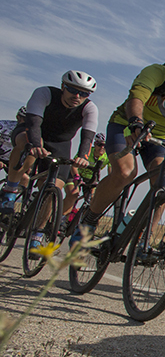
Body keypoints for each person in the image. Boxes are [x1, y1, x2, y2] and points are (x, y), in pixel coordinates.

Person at [70, 43, 165, 244]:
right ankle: (88, 222)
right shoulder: (157, 73)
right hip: (125, 125)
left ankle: (144, 241)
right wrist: (135, 123)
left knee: (162, 181)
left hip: (157, 138)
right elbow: (137, 97)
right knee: (125, 173)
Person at [1, 71, 99, 252]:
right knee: (26, 146)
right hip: (32, 132)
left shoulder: (89, 108)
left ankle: (37, 233)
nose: (77, 97)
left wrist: (82, 157)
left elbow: (87, 137)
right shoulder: (44, 93)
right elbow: (33, 123)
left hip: (60, 143)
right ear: (63, 87)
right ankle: (10, 190)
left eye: (84, 93)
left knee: (55, 188)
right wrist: (35, 144)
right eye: (72, 90)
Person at [63, 132, 109, 222]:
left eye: (105, 145)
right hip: (75, 174)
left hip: (91, 178)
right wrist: (76, 177)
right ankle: (62, 219)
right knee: (73, 194)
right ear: (95, 144)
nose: (102, 147)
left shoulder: (107, 157)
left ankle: (82, 222)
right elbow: (74, 166)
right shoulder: (87, 152)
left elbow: (111, 173)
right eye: (99, 144)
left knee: (93, 199)